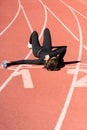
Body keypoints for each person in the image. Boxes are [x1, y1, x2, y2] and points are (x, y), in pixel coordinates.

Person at [1, 28, 67, 71]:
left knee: (34, 33)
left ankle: (30, 43)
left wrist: (11, 63)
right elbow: (64, 48)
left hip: (37, 50)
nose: (55, 57)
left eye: (54, 58)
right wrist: (60, 58)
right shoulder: (55, 58)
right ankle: (50, 48)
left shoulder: (40, 61)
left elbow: (25, 61)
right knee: (46, 30)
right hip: (47, 48)